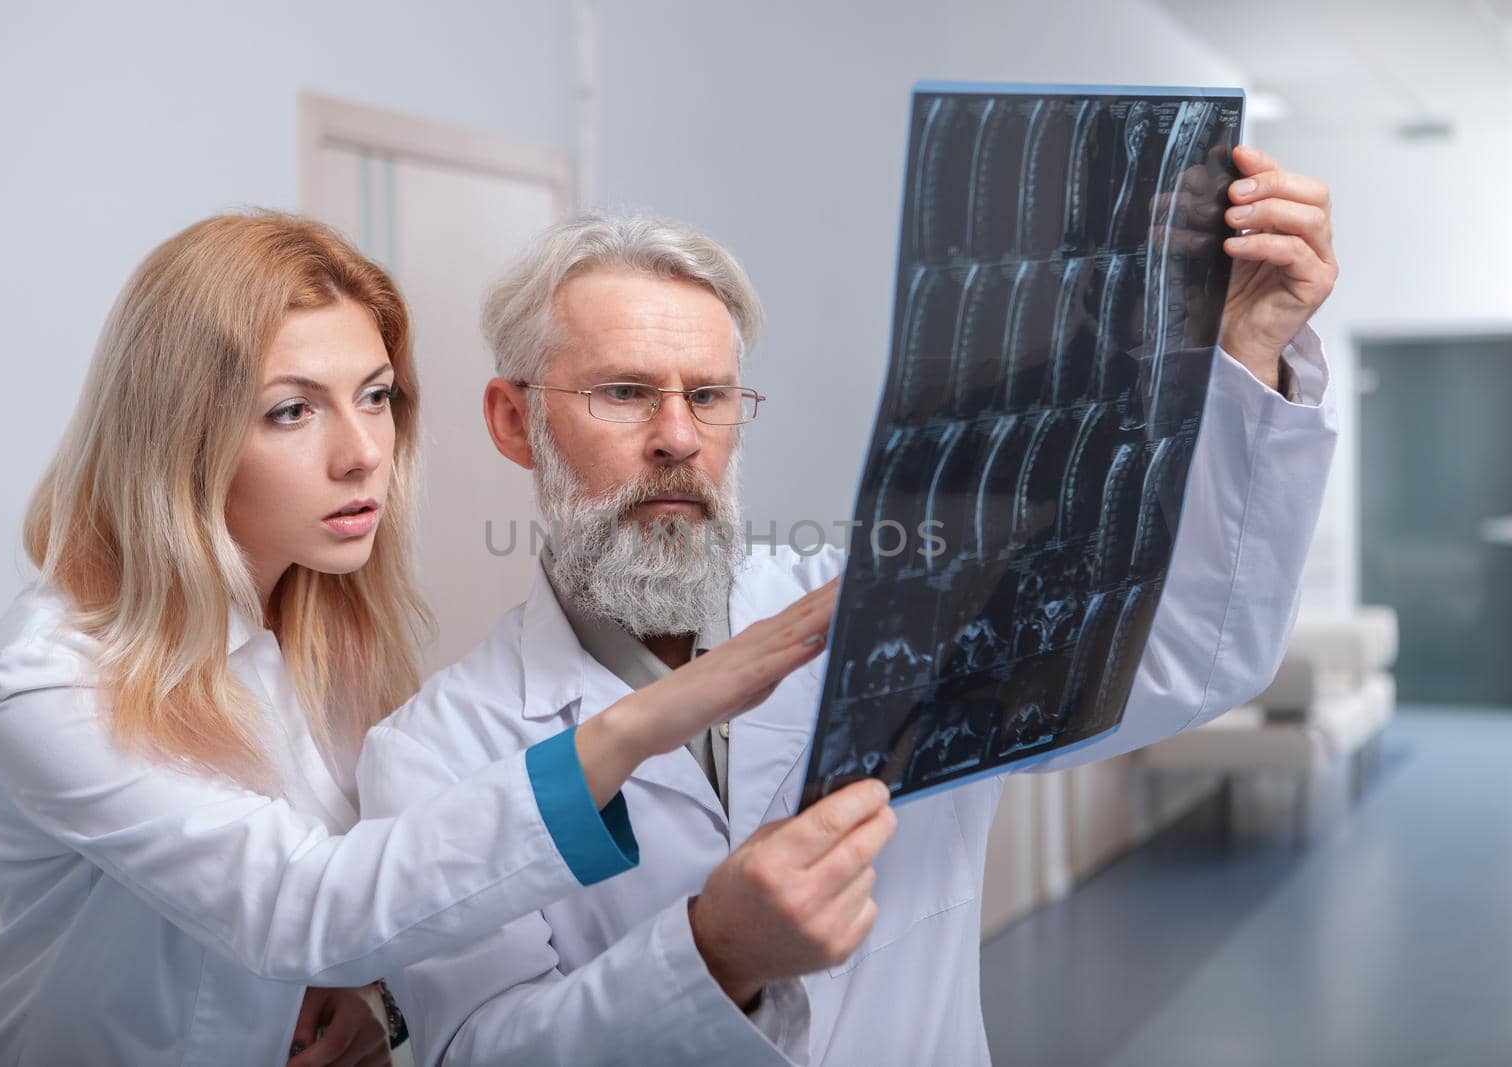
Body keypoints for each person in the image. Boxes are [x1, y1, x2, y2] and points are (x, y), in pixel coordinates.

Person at [357, 144, 1342, 1064]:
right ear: (512, 420)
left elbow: (1185, 657)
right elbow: (477, 1047)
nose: (677, 438)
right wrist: (713, 955)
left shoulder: (896, 613)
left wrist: (1248, 349)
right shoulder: (436, 751)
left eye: (707, 395)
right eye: (622, 392)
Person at [0, 212, 884, 1067]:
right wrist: (647, 719)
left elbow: (377, 916)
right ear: (179, 435)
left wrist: (375, 1002)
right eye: (292, 408)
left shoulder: (330, 636)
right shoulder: (53, 678)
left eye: (377, 396)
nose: (362, 452)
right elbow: (302, 907)